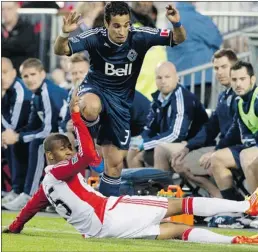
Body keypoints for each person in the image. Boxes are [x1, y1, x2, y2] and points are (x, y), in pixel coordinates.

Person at [2, 93, 258, 246]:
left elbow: (27, 211)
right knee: (180, 204)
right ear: (50, 155)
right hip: (111, 211)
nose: (68, 152)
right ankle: (246, 207)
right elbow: (88, 157)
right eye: (63, 149)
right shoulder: (60, 170)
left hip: (101, 230)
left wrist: (14, 228)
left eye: (69, 148)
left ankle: (238, 240)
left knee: (176, 230)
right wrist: (77, 119)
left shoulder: (46, 187)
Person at [54, 2, 186, 197]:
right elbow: (60, 50)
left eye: (126, 25)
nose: (122, 31)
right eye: (116, 25)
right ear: (106, 24)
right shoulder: (94, 37)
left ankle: (107, 209)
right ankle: (89, 147)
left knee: (114, 165)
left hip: (121, 104)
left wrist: (176, 23)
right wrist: (64, 33)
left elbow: (179, 39)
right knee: (89, 107)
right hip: (95, 89)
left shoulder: (140, 36)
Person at [154, 49, 240, 198]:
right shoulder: (223, 96)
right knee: (176, 157)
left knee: (180, 162)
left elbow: (236, 131)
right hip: (221, 147)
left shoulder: (241, 95)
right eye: (216, 68)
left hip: (237, 149)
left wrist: (216, 151)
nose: (219, 72)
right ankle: (166, 199)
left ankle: (219, 196)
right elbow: (210, 128)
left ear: (235, 67)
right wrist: (188, 147)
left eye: (224, 67)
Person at [208, 61, 258, 201]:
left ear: (252, 79)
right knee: (217, 158)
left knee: (246, 155)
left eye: (242, 79)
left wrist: (253, 148)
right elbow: (244, 136)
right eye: (234, 80)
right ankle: (235, 206)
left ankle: (257, 210)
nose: (238, 84)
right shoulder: (239, 102)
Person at [2, 58, 68, 211]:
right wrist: (14, 137)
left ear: (42, 74)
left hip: (70, 136)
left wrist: (18, 136)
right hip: (58, 135)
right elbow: (32, 125)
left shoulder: (47, 91)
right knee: (18, 141)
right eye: (25, 76)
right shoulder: (36, 94)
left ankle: (29, 195)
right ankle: (17, 190)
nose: (29, 79)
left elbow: (49, 130)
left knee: (38, 144)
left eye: (33, 74)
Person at [127, 61, 208, 168]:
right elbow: (149, 128)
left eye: (167, 77)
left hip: (191, 145)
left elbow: (176, 135)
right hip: (171, 144)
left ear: (176, 78)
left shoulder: (182, 98)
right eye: (159, 78)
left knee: (160, 150)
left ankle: (160, 185)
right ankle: (139, 185)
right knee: (132, 151)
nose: (163, 81)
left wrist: (145, 144)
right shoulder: (157, 98)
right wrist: (139, 141)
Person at [166, 2, 222, 107]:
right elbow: (216, 38)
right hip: (199, 77)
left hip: (179, 76)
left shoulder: (172, 19)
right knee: (198, 116)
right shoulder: (196, 19)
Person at [1, 58, 32, 204]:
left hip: (30, 132)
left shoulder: (19, 89)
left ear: (14, 73)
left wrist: (4, 136)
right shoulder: (6, 91)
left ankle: (18, 190)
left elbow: (15, 123)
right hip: (16, 132)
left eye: (4, 72)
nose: (1, 77)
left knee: (13, 141)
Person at [1, 2, 38, 73]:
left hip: (22, 73)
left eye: (9, 9)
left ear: (16, 8)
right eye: (2, 9)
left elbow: (23, 46)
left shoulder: (27, 27)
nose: (5, 12)